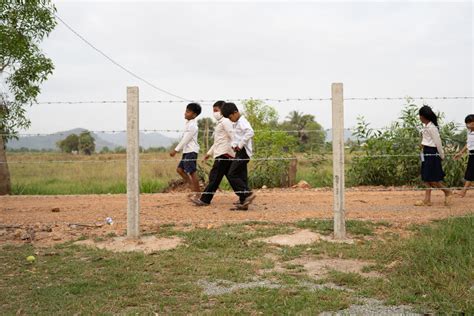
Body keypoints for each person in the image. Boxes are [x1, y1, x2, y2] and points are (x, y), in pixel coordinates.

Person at [191, 101, 235, 206]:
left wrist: (237, 147)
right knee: (232, 177)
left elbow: (232, 135)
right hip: (224, 153)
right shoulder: (221, 123)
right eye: (213, 111)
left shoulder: (225, 121)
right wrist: (209, 153)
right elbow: (218, 142)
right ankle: (245, 195)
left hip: (224, 154)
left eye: (216, 110)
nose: (215, 113)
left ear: (223, 110)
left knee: (214, 177)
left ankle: (205, 199)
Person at [415, 105, 452, 206]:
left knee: (432, 179)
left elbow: (437, 142)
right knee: (426, 177)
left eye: (420, 115)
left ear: (423, 116)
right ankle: (427, 200)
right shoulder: (426, 127)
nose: (419, 117)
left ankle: (447, 192)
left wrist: (442, 155)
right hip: (426, 152)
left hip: (432, 152)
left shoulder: (432, 127)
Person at [221, 102, 256, 210]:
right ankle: (243, 202)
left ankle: (246, 193)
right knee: (241, 175)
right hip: (239, 151)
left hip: (244, 152)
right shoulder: (236, 123)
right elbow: (236, 137)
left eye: (230, 117)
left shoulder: (242, 121)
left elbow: (250, 132)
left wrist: (240, 145)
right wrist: (234, 145)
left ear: (235, 112)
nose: (230, 119)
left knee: (232, 174)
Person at [170, 102, 201, 198]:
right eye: (186, 111)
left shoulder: (193, 126)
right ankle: (193, 188)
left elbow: (185, 139)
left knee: (192, 172)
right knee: (179, 170)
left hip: (191, 151)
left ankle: (198, 193)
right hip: (187, 151)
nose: (185, 113)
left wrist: (176, 150)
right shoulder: (188, 124)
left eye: (188, 112)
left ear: (194, 115)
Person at [454, 114, 474, 197]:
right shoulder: (469, 132)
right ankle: (463, 191)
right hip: (472, 153)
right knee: (470, 172)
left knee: (470, 173)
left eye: (469, 122)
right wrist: (460, 152)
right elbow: (468, 144)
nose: (467, 125)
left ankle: (463, 192)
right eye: (466, 123)